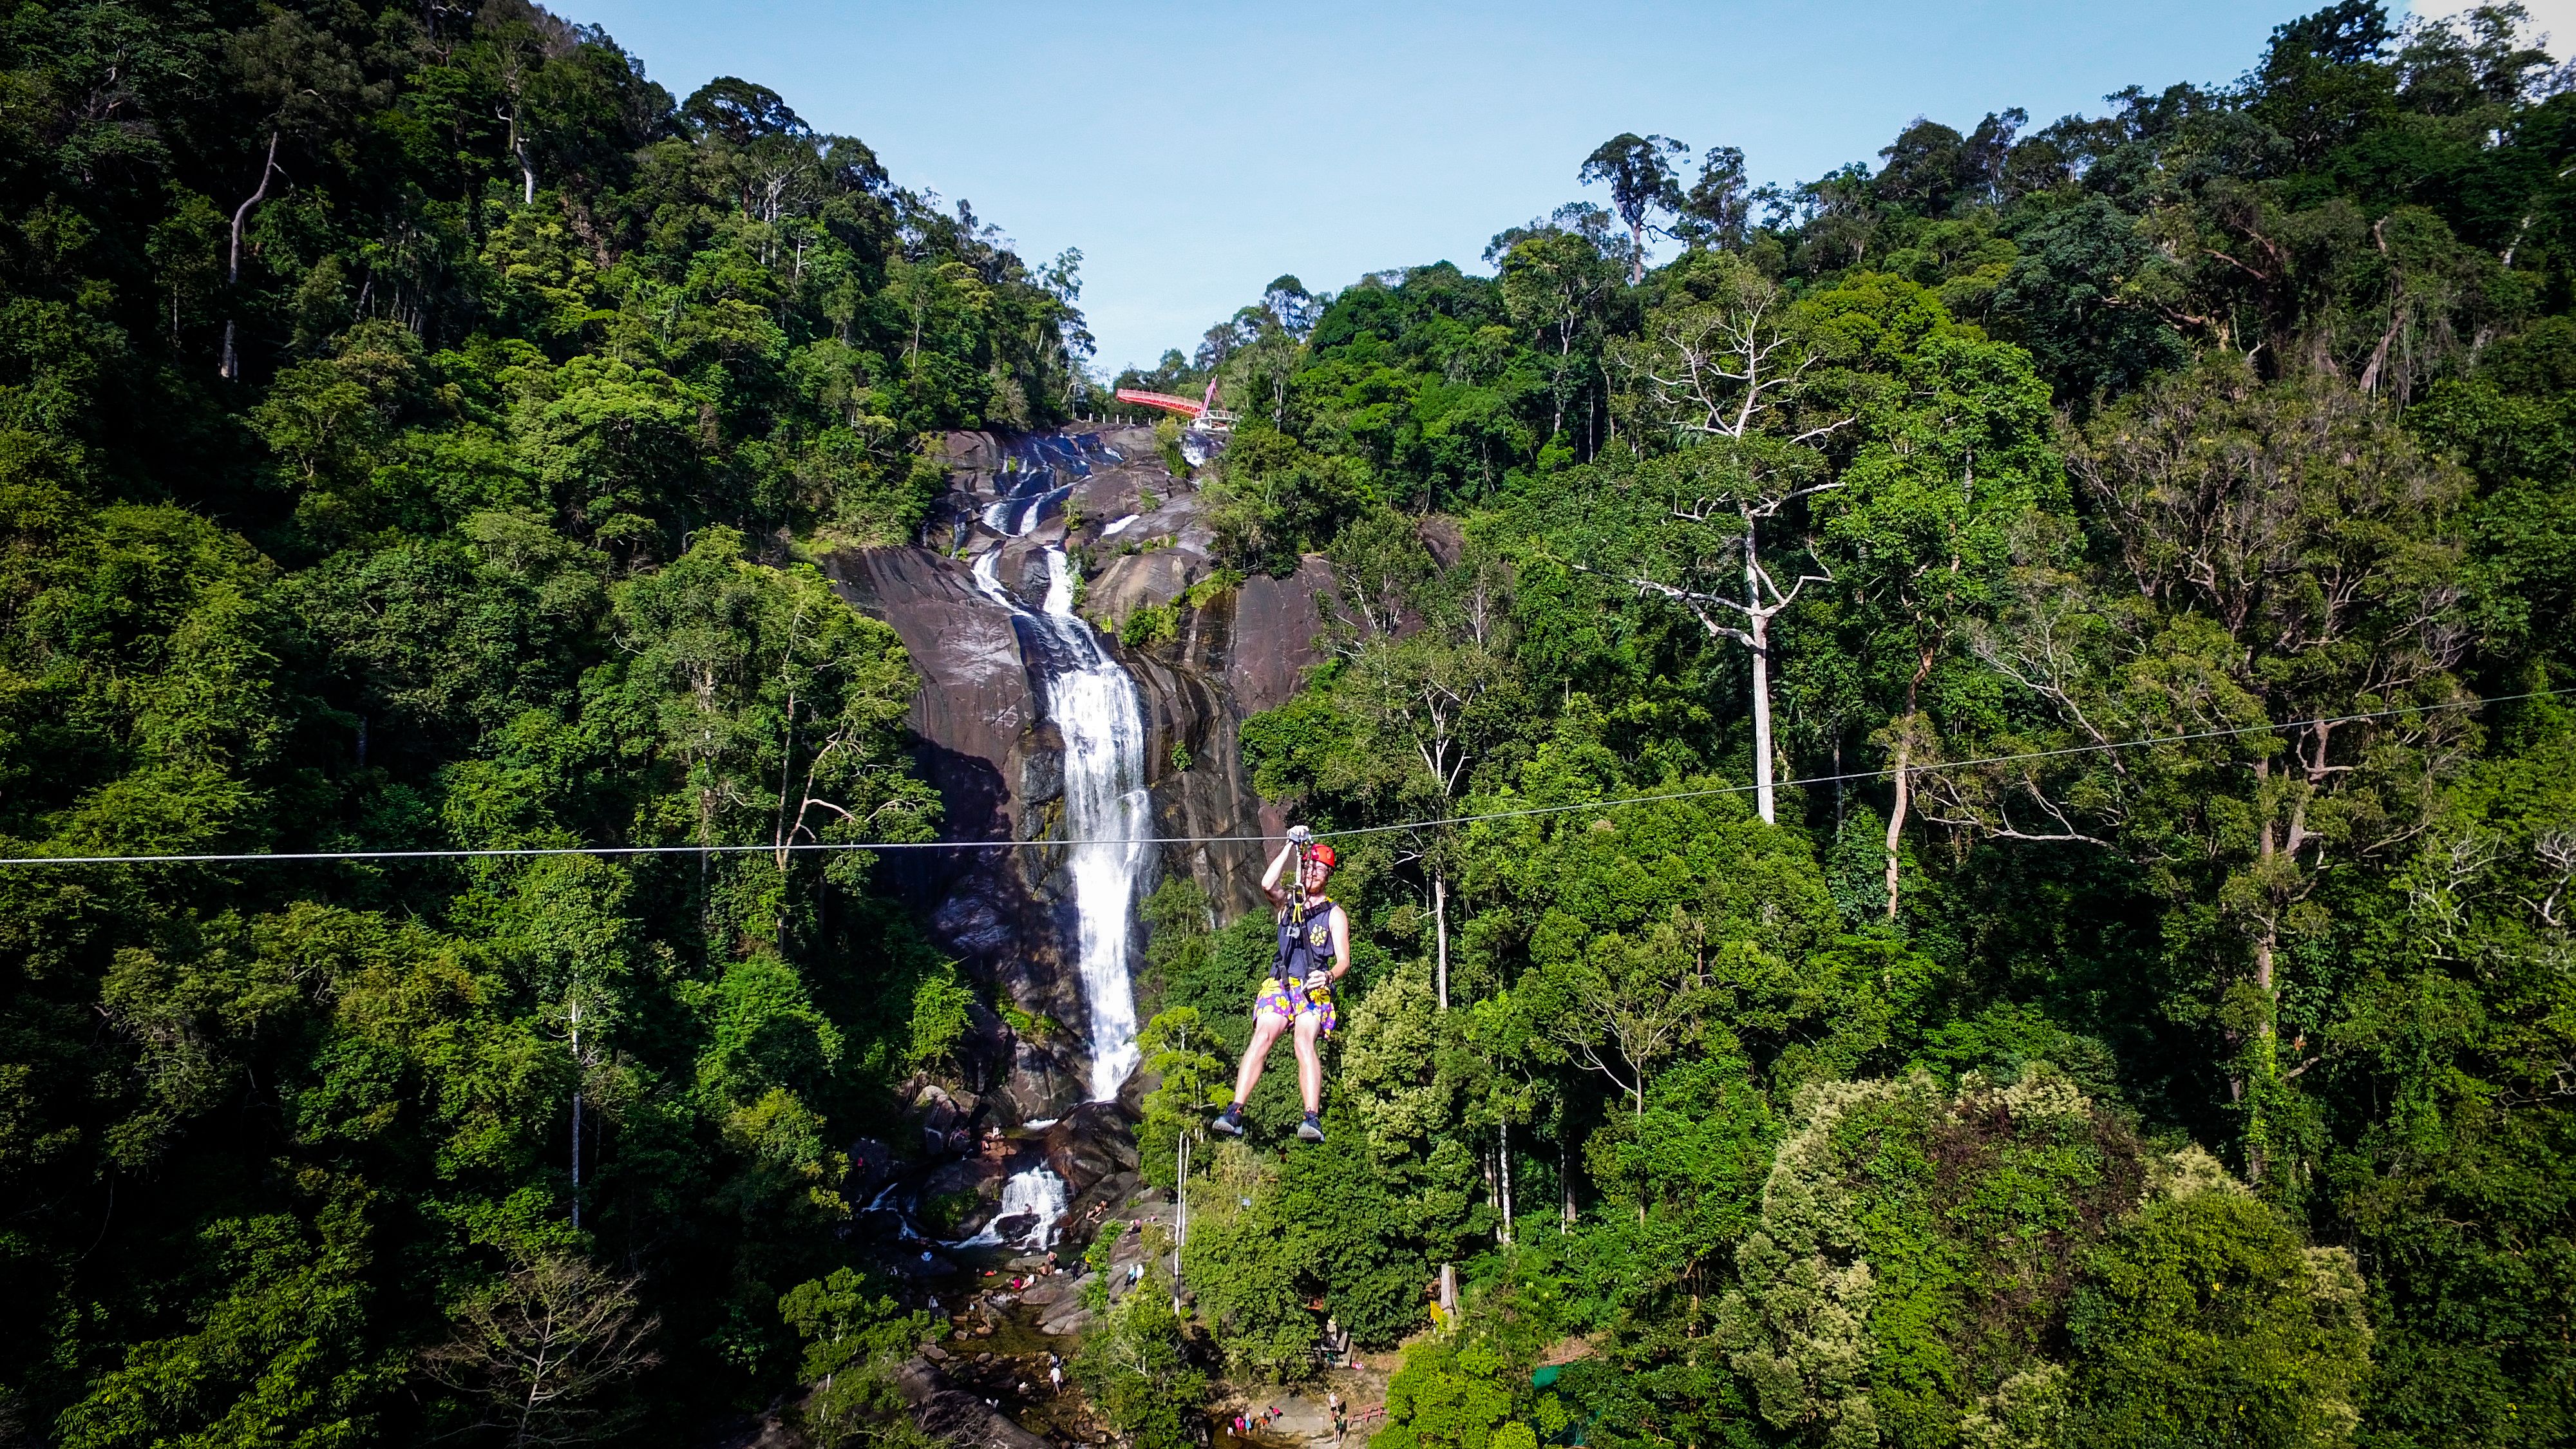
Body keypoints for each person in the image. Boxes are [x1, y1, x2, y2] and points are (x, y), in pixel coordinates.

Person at [1211, 827, 1350, 1143]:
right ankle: (1235, 1111)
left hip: (1313, 986)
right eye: (1310, 867)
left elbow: (1344, 961)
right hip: (1281, 982)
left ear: (1328, 875)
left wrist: (1328, 976)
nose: (1313, 873)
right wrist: (1289, 846)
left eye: (1320, 870)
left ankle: (1312, 1118)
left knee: (1303, 1042)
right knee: (1262, 1036)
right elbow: (1266, 884)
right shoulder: (1288, 904)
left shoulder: (1334, 914)